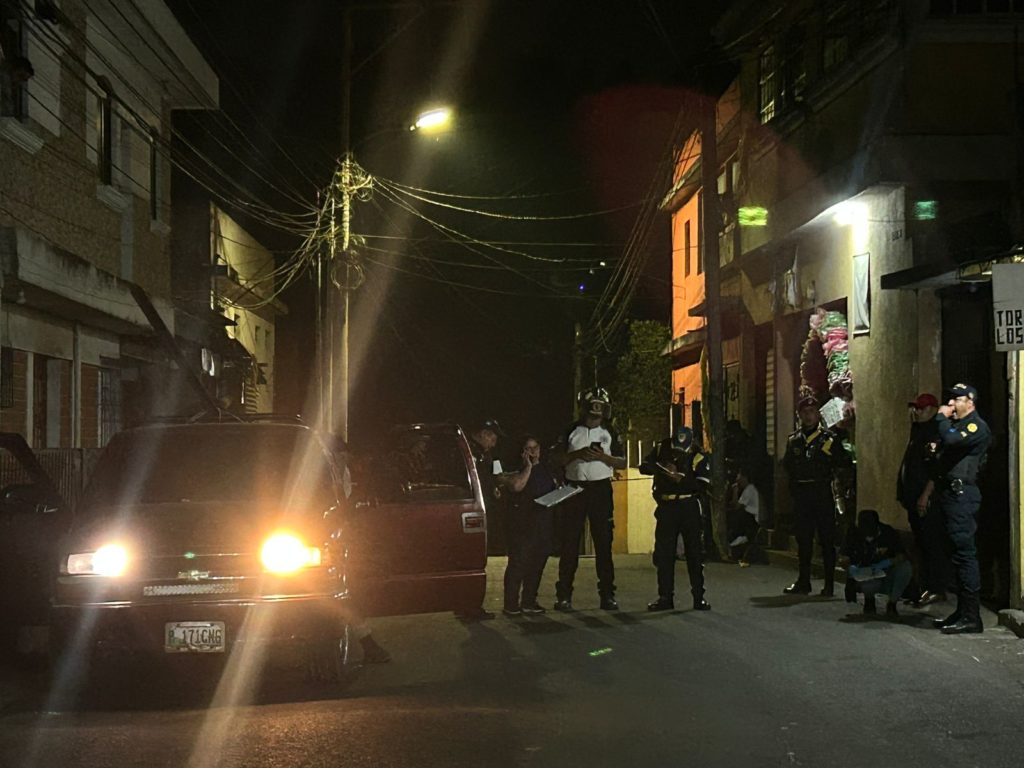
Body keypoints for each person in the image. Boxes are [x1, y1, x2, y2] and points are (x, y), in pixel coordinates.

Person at [922, 383, 992, 635]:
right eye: (949, 399)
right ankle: (962, 612)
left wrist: (940, 417)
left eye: (956, 399)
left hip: (963, 496)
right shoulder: (958, 427)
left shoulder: (975, 426)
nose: (951, 403)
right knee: (955, 554)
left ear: (970, 401)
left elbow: (952, 440)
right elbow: (946, 450)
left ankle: (972, 616)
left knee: (965, 555)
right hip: (949, 494)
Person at [554, 387, 626, 611]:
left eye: (600, 408)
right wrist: (577, 454)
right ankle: (564, 595)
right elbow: (557, 459)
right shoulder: (571, 431)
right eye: (593, 407)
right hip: (574, 489)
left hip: (601, 490)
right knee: (570, 543)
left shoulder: (610, 431)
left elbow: (622, 462)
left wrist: (603, 457)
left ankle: (607, 594)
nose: (596, 413)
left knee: (603, 543)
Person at [781, 395, 850, 596]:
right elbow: (788, 467)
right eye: (805, 412)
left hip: (822, 493)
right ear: (800, 415)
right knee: (803, 540)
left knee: (827, 539)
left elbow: (843, 464)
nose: (809, 416)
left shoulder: (829, 439)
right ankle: (803, 582)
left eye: (812, 412)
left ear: (818, 414)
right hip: (802, 495)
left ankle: (828, 585)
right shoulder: (794, 440)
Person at [640, 426, 712, 611]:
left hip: (688, 506)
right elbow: (644, 466)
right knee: (664, 554)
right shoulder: (661, 448)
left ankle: (699, 597)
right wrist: (662, 468)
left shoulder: (698, 455)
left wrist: (682, 478)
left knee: (694, 553)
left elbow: (703, 483)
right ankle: (665, 597)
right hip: (666, 506)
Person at [896, 392, 949, 605]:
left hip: (926, 501)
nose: (916, 412)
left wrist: (925, 495)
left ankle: (937, 588)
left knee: (932, 543)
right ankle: (925, 587)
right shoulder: (918, 431)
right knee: (921, 544)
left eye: (921, 408)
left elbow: (936, 469)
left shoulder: (935, 433)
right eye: (915, 408)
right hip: (913, 499)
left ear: (932, 409)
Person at [501, 435, 559, 615]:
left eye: (535, 448)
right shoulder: (516, 470)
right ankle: (511, 604)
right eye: (528, 448)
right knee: (518, 565)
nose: (532, 452)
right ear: (522, 452)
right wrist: (528, 466)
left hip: (543, 525)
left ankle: (529, 601)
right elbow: (517, 486)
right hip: (522, 525)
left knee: (537, 565)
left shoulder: (547, 469)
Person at [840, 509, 912, 617]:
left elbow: (902, 555)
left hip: (885, 572)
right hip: (865, 574)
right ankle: (869, 601)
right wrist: (850, 568)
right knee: (869, 584)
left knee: (906, 568)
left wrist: (887, 563)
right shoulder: (853, 533)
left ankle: (892, 603)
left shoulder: (888, 532)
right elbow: (843, 557)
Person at [727, 466, 763, 567]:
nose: (737, 480)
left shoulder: (750, 489)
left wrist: (734, 490)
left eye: (739, 477)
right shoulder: (748, 489)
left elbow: (737, 505)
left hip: (752, 520)